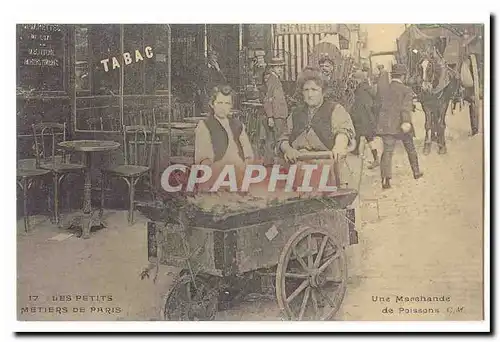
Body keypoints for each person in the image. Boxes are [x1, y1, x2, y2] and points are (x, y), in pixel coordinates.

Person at [278, 67, 356, 190]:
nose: (310, 94)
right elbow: (283, 137)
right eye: (306, 90)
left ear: (323, 92)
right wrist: (288, 149)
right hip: (299, 164)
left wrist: (339, 146)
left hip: (326, 163)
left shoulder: (335, 110)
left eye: (314, 90)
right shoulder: (296, 113)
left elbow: (343, 131)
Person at [194, 85, 254, 189]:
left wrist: (245, 166)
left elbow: (248, 153)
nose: (223, 107)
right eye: (219, 103)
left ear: (231, 106)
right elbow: (203, 158)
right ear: (212, 104)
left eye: (227, 103)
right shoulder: (205, 125)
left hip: (238, 171)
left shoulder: (238, 125)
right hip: (216, 172)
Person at [376, 64, 423, 190]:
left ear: (393, 75)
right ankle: (416, 172)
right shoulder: (406, 90)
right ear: (403, 76)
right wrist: (406, 121)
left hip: (387, 125)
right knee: (410, 148)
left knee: (387, 152)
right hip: (402, 125)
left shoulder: (384, 89)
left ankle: (386, 181)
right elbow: (405, 108)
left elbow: (377, 105)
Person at [261, 57, 288, 166]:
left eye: (281, 67)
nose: (280, 69)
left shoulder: (275, 79)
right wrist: (270, 117)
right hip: (277, 115)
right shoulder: (273, 80)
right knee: (279, 139)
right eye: (278, 67)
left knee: (271, 139)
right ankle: (281, 162)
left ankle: (268, 161)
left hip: (278, 114)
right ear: (272, 68)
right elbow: (267, 100)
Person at [350, 70, 379, 169]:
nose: (354, 81)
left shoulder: (359, 89)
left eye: (355, 79)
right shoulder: (368, 88)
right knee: (369, 138)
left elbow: (357, 105)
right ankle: (375, 159)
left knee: (360, 135)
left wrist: (352, 114)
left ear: (359, 80)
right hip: (368, 118)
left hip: (362, 118)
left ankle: (358, 154)